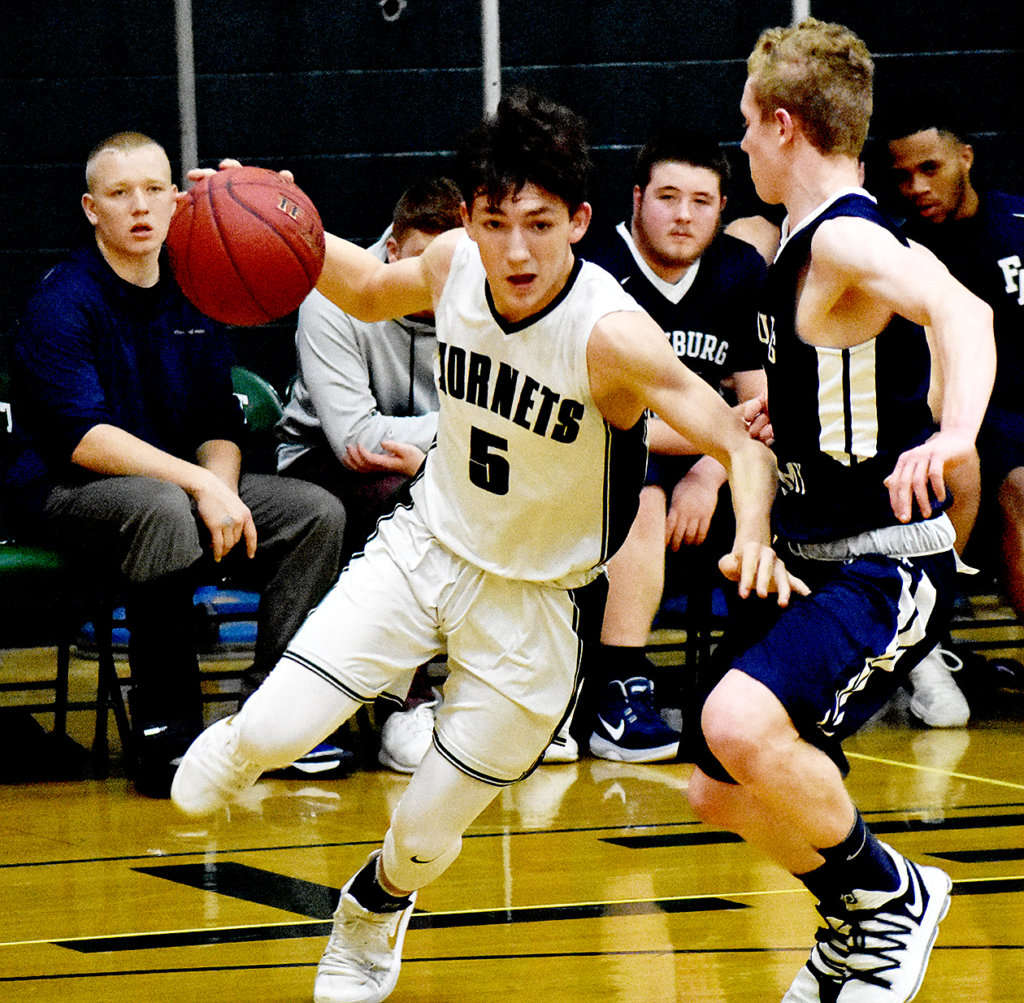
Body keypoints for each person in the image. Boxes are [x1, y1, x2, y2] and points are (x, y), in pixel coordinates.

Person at [170, 89, 799, 1003]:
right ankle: (245, 744)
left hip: (538, 604)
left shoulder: (612, 336)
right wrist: (272, 210)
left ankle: (374, 907)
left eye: (539, 225)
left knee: (426, 832)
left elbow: (741, 442)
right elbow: (362, 286)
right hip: (427, 548)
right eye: (496, 223)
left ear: (580, 221)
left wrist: (755, 532)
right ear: (467, 217)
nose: (516, 251)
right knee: (269, 732)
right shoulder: (453, 263)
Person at [686, 20, 994, 1003]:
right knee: (716, 786)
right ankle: (851, 919)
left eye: (747, 122)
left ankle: (890, 900)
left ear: (783, 125)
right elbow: (853, 368)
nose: (740, 142)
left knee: (739, 721)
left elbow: (965, 313)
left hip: (882, 563)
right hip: (812, 553)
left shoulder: (847, 234)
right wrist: (790, 411)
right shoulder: (800, 240)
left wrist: (954, 434)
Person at [5, 132, 347, 797]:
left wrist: (223, 491)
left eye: (153, 189)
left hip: (172, 486)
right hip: (66, 491)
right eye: (119, 192)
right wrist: (197, 486)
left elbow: (219, 419)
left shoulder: (196, 287)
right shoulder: (62, 301)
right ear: (91, 209)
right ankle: (170, 730)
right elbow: (83, 438)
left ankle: (276, 721)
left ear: (174, 198)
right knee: (163, 510)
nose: (139, 206)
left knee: (315, 513)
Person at [562, 129, 768, 764]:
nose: (683, 215)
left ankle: (755, 686)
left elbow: (762, 408)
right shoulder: (593, 269)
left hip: (707, 456)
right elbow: (600, 413)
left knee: (784, 487)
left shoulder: (740, 269)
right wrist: (717, 441)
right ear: (636, 199)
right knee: (642, 492)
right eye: (668, 197)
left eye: (701, 201)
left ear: (723, 208)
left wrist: (710, 472)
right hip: (605, 449)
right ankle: (618, 686)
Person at [277, 176, 462, 773]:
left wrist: (439, 453)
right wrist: (453, 440)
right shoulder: (332, 297)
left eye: (447, 268)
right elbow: (354, 438)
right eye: (420, 265)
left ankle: (493, 695)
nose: (433, 284)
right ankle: (405, 703)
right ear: (391, 252)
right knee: (407, 496)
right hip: (317, 462)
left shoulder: (484, 290)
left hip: (433, 462)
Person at [885, 102, 1024, 725]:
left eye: (930, 169)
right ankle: (922, 636)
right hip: (967, 418)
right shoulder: (899, 251)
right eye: (902, 175)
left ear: (965, 157)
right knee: (1018, 488)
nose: (916, 186)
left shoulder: (1017, 223)